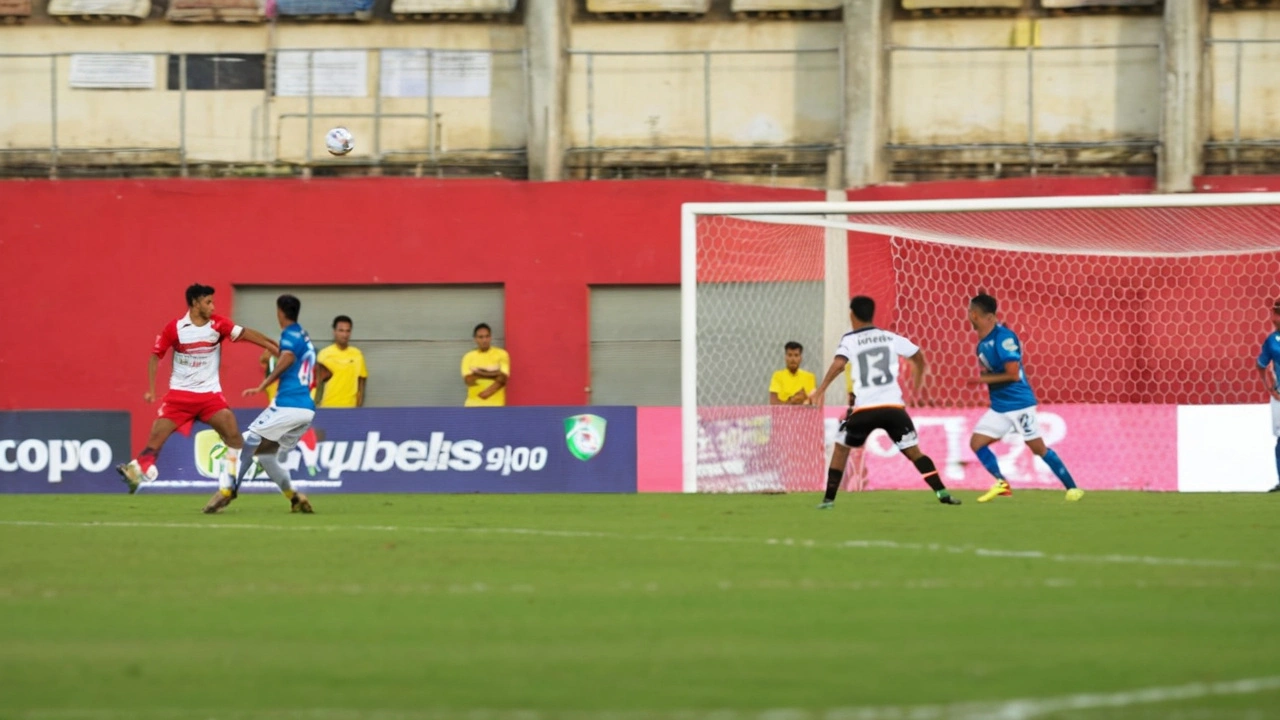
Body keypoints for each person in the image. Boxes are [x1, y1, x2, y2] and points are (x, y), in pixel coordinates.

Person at [116, 284, 279, 494]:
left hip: (209, 396)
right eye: (208, 302)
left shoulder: (218, 325)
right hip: (179, 398)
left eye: (213, 302)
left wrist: (272, 345)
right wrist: (151, 389)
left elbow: (245, 333)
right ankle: (138, 473)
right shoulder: (174, 328)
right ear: (195, 303)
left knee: (233, 437)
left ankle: (229, 483)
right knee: (156, 439)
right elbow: (155, 356)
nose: (213, 306)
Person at [811, 296, 961, 507]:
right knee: (914, 452)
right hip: (893, 408)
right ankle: (942, 493)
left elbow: (839, 364)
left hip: (865, 409)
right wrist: (916, 389)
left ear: (852, 315)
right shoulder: (890, 337)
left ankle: (828, 500)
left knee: (841, 447)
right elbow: (918, 356)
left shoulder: (850, 339)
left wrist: (821, 389)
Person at [967, 293, 1084, 503]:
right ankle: (1001, 483)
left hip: (1019, 404)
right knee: (977, 442)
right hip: (1000, 407)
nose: (969, 316)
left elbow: (1012, 374)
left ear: (981, 316)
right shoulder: (982, 344)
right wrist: (985, 378)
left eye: (971, 312)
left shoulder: (1004, 338)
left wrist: (980, 381)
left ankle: (1072, 488)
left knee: (1037, 448)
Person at [211, 294, 320, 514]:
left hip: (287, 405)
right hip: (306, 409)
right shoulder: (303, 335)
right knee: (267, 455)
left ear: (280, 312)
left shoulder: (289, 334)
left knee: (244, 444)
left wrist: (264, 384)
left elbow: (287, 357)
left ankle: (226, 491)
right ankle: (294, 497)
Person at [1255, 299, 1280, 493]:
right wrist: (1270, 388)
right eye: (1274, 313)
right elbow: (1261, 365)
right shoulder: (1272, 341)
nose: (1274, 318)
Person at [315, 314, 368, 408]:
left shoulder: (357, 355)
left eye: (348, 331)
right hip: (327, 407)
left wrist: (359, 407)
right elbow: (316, 385)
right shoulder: (324, 354)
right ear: (334, 331)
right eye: (341, 330)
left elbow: (362, 384)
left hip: (350, 409)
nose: (344, 334)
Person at [462, 323, 510, 407]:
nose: (484, 340)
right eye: (481, 337)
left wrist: (479, 373)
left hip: (496, 406)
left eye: (487, 336)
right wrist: (495, 374)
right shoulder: (468, 357)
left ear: (490, 337)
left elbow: (503, 379)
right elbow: (469, 381)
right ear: (475, 339)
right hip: (472, 406)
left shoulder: (502, 354)